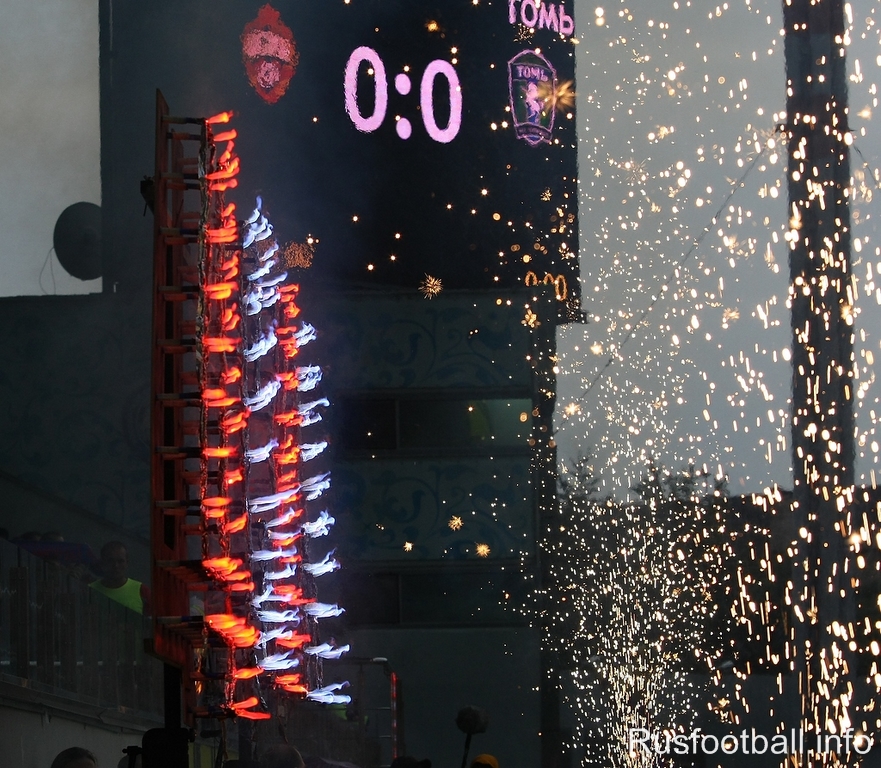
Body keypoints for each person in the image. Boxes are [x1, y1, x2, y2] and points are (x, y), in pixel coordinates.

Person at [90, 541, 151, 614]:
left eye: (120, 561)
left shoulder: (142, 591)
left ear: (127, 563)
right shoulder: (89, 591)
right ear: (102, 563)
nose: (116, 566)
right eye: (110, 561)